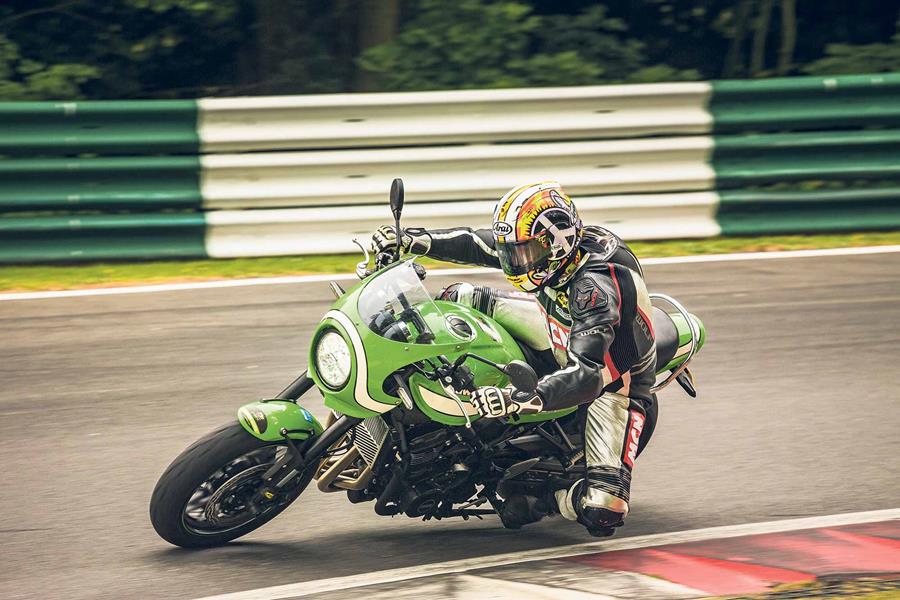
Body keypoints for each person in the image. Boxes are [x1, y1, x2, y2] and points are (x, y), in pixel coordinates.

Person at [370, 181, 657, 537]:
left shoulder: (594, 288)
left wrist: (525, 397)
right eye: (512, 252)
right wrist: (417, 241)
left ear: (555, 245)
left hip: (611, 382)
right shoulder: (556, 255)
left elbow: (587, 375)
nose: (513, 263)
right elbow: (478, 242)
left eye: (522, 254)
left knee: (603, 509)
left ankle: (547, 499)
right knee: (459, 295)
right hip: (561, 328)